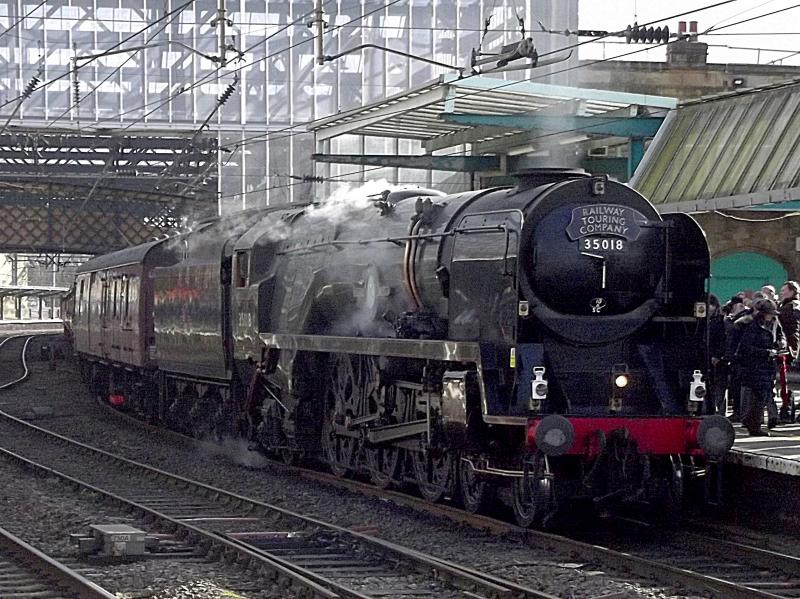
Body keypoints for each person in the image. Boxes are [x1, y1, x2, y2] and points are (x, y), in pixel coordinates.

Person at [736, 299, 786, 436]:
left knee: (761, 396)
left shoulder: (773, 324)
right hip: (755, 366)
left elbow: (780, 336)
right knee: (757, 396)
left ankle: (753, 423)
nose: (772, 316)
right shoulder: (752, 327)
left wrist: (780, 344)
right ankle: (754, 424)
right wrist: (766, 352)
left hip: (766, 366)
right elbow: (746, 348)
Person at [724, 296, 748, 421]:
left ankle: (739, 412)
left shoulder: (743, 321)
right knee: (734, 386)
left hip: (739, 358)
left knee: (738, 386)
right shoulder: (735, 320)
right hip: (735, 357)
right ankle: (737, 411)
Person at [707, 294, 727, 415]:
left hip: (717, 358)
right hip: (708, 356)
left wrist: (718, 355)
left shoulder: (720, 321)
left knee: (719, 386)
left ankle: (719, 410)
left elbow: (723, 340)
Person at [778, 281, 800, 361]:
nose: (781, 293)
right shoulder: (785, 305)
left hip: (789, 343)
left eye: (784, 290)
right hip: (786, 342)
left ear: (792, 292)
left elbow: (780, 316)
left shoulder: (793, 306)